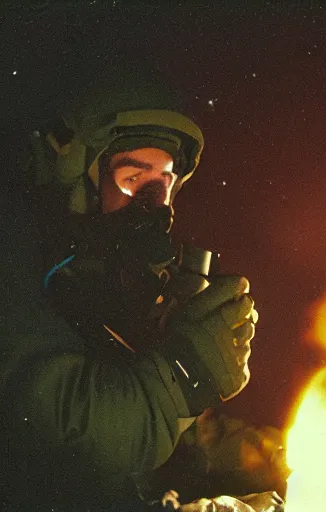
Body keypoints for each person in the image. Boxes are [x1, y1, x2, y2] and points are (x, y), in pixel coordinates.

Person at [0, 68, 286, 511]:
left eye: (165, 182)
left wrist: (259, 453)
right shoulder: (17, 255)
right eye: (133, 178)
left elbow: (140, 398)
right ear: (77, 174)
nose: (155, 205)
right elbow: (60, 431)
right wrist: (187, 371)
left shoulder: (99, 276)